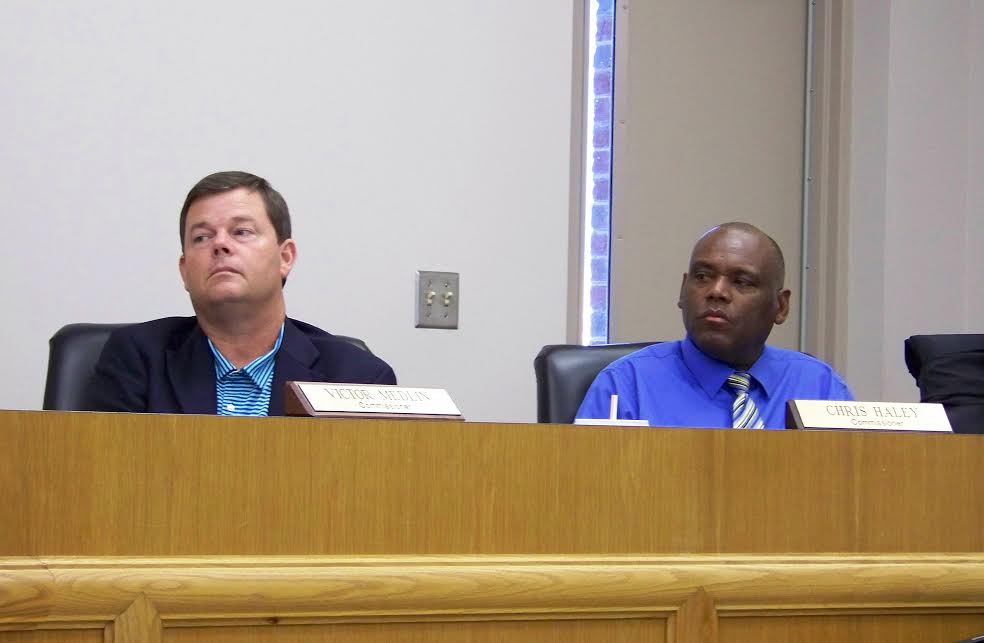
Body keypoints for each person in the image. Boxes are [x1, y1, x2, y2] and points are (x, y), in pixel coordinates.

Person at [85, 171, 396, 415]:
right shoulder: (137, 360)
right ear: (184, 270)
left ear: (285, 257)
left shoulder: (357, 378)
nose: (220, 244)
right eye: (202, 237)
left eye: (241, 232)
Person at [576, 222, 852, 429]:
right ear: (683, 291)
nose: (716, 291)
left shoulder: (819, 387)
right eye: (703, 276)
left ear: (780, 306)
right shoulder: (626, 386)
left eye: (742, 282)